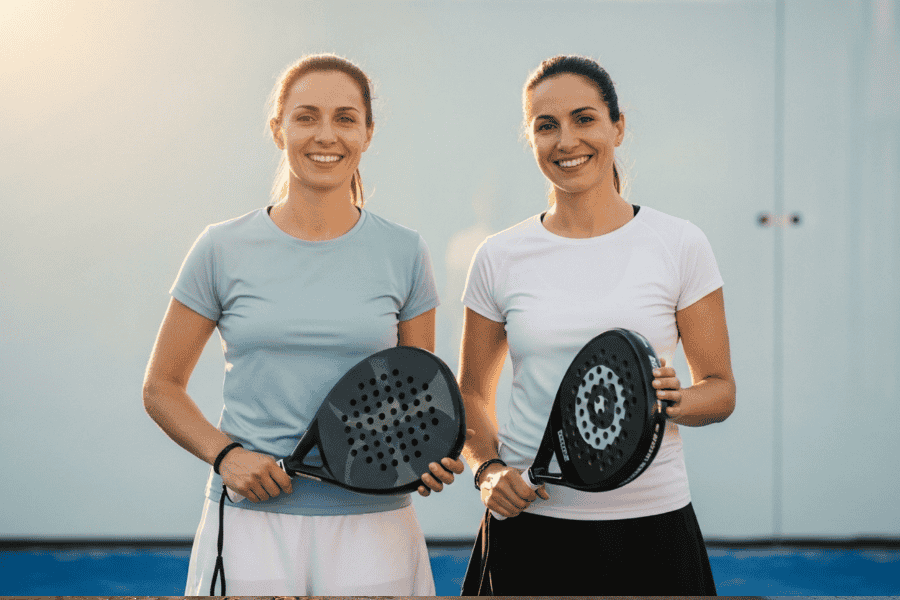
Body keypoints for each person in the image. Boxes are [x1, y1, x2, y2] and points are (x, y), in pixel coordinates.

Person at [142, 53, 465, 596]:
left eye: (345, 118)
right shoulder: (220, 247)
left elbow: (418, 393)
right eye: (306, 116)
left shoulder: (405, 252)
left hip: (376, 527)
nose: (326, 135)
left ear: (367, 133)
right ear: (278, 129)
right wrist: (227, 456)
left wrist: (428, 461)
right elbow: (161, 388)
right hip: (249, 523)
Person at [457, 55, 735, 595]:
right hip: (529, 530)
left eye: (584, 119)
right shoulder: (499, 256)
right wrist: (488, 470)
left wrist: (673, 401)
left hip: (653, 529)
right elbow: (472, 391)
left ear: (617, 127)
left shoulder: (679, 244)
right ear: (531, 139)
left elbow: (720, 392)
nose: (567, 141)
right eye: (546, 126)